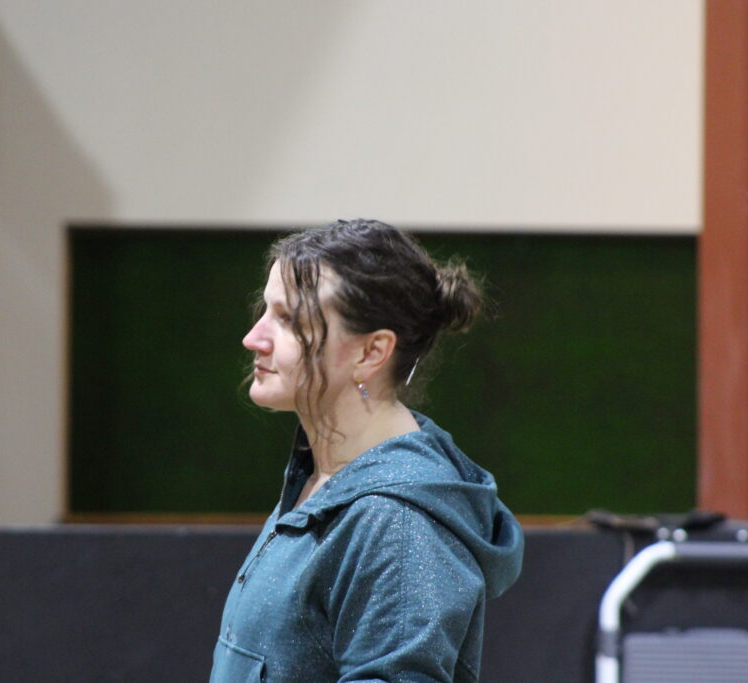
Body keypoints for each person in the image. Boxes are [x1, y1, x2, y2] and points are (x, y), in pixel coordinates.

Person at [209, 219, 524, 683]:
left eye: (290, 320)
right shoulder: (322, 475)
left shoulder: (397, 523)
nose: (253, 338)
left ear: (372, 352)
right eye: (265, 310)